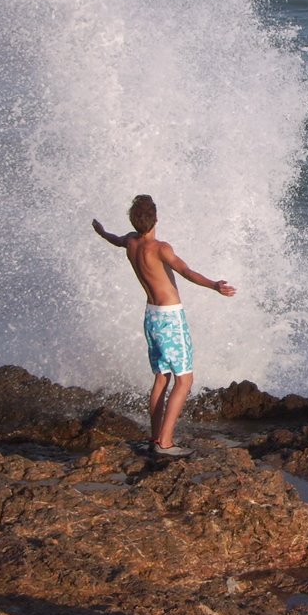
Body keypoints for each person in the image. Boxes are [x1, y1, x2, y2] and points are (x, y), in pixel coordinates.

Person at [92, 194, 235, 457]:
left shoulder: (130, 242)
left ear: (133, 221)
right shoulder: (160, 248)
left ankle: (155, 436)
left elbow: (115, 240)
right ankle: (165, 443)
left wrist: (101, 232)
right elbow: (186, 271)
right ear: (156, 218)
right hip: (170, 319)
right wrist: (214, 285)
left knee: (161, 377)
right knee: (184, 380)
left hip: (151, 316)